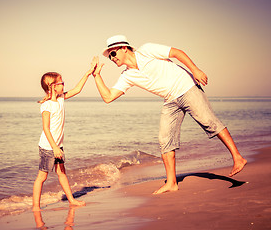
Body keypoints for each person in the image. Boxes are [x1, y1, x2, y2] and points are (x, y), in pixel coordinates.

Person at [91, 35, 247, 194]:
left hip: (187, 87)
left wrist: (195, 70)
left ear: (124, 48)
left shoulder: (146, 50)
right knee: (164, 139)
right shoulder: (127, 76)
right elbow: (108, 97)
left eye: (113, 54)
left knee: (209, 121)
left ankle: (237, 157)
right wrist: (96, 75)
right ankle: (171, 182)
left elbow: (176, 53)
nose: (111, 58)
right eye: (109, 56)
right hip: (170, 100)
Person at [32, 63, 95, 211]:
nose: (64, 85)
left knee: (61, 172)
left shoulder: (61, 99)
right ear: (52, 86)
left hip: (57, 146)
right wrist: (54, 148)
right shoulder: (47, 106)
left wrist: (88, 73)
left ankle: (71, 200)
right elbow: (45, 129)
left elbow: (77, 89)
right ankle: (35, 206)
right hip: (48, 146)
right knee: (42, 177)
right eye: (61, 83)